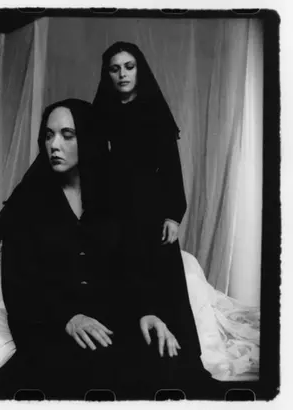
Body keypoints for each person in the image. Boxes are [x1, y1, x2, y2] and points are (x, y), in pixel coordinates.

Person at [0, 98, 208, 399]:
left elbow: (129, 267)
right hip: (53, 325)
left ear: (88, 138)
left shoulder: (113, 197)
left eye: (67, 135)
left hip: (113, 320)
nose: (54, 145)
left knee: (170, 368)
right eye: (48, 135)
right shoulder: (27, 204)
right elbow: (17, 285)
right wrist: (68, 318)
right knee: (77, 375)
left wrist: (145, 313)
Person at [89, 41, 211, 385]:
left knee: (163, 284)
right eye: (115, 69)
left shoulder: (154, 110)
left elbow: (171, 168)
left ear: (139, 69)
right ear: (107, 74)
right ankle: (133, 355)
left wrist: (173, 215)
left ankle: (179, 358)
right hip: (114, 214)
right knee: (122, 281)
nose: (122, 74)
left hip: (152, 214)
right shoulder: (100, 114)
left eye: (128, 67)